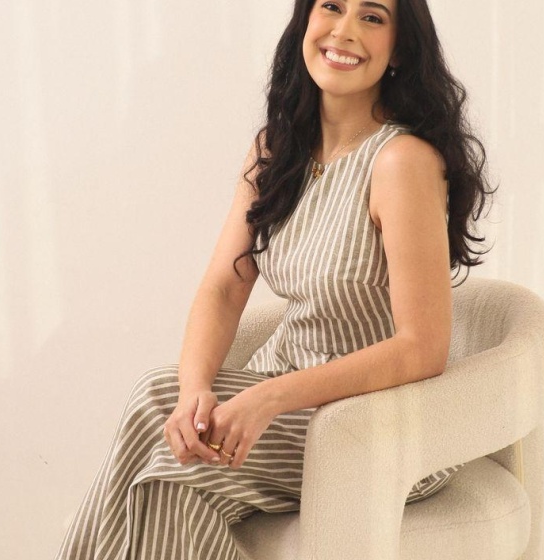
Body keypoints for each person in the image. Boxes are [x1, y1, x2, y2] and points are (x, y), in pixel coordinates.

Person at [55, 0, 492, 558]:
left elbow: (422, 348)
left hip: (377, 423)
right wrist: (195, 391)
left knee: (154, 408)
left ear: (400, 48)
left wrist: (267, 398)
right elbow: (223, 287)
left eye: (372, 17)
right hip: (285, 394)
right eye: (330, 6)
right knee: (172, 467)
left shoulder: (400, 161)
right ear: (305, 22)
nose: (344, 30)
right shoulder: (277, 150)